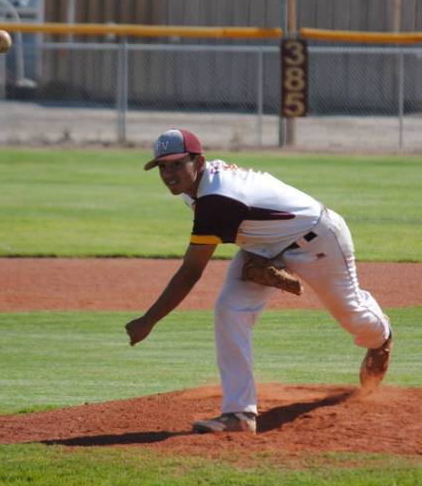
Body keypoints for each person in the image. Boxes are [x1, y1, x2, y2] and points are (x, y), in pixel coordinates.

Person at [125, 129, 392, 434]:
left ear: (198, 161)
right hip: (264, 247)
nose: (169, 173)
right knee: (229, 309)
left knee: (351, 313)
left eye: (176, 164)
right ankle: (239, 414)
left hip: (318, 241)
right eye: (162, 166)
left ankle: (381, 336)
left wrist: (149, 320)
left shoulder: (216, 197)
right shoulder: (197, 186)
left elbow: (191, 271)